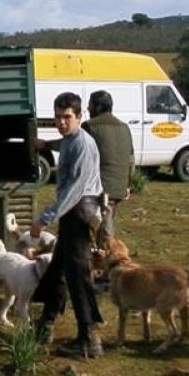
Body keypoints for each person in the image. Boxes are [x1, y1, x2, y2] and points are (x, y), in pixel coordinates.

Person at [31, 92, 105, 358]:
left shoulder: (83, 145)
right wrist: (44, 144)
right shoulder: (71, 139)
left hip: (79, 214)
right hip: (72, 215)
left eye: (67, 117)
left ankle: (89, 339)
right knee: (58, 270)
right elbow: (65, 143)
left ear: (79, 117)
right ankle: (46, 325)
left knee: (77, 277)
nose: (62, 122)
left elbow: (73, 192)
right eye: (58, 118)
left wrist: (43, 219)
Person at [82, 90, 134, 243]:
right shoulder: (124, 127)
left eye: (90, 105)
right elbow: (131, 159)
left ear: (97, 107)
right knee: (107, 225)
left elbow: (78, 151)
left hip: (99, 189)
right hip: (119, 187)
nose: (88, 108)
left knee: (103, 233)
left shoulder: (90, 127)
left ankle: (106, 260)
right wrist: (128, 185)